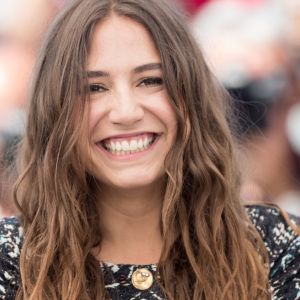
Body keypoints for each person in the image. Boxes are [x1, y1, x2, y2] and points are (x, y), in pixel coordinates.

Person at [0, 0, 299, 299]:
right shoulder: (10, 261)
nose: (126, 112)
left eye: (150, 81)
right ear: (53, 110)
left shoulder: (277, 250)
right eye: (94, 88)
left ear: (191, 94)